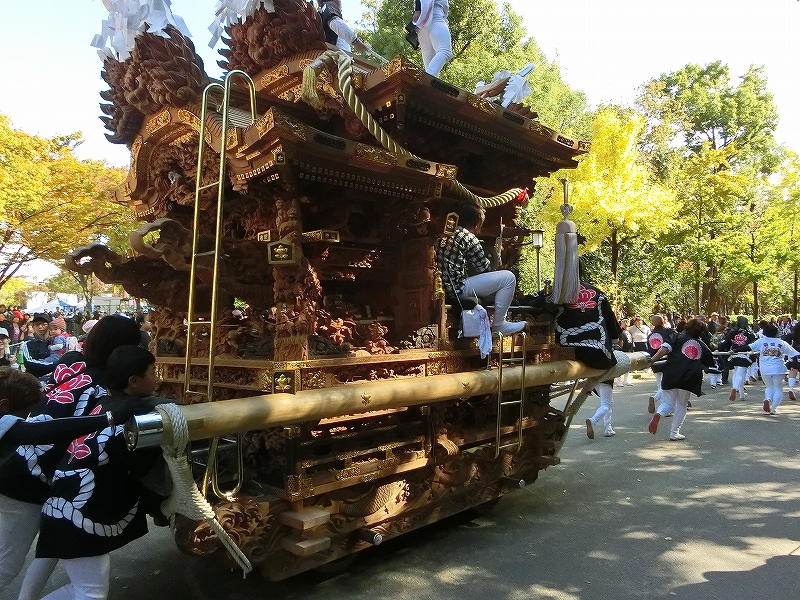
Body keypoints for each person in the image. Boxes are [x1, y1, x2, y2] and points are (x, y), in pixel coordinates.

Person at [0, 315, 146, 597]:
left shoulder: (71, 362)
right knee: (6, 562)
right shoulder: (105, 386)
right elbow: (61, 430)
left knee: (46, 551)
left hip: (26, 468)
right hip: (30, 482)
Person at [28, 344, 167, 600]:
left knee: (58, 565)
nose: (157, 378)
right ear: (134, 381)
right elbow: (141, 467)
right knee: (90, 593)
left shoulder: (104, 404)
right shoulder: (134, 417)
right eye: (152, 372)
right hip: (81, 510)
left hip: (63, 502)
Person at [436, 203, 526, 336]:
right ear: (476, 222)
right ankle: (499, 324)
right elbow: (484, 268)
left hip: (445, 287)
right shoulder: (468, 237)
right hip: (458, 288)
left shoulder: (444, 235)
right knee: (509, 278)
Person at [648, 318, 715, 441]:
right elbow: (710, 361)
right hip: (688, 377)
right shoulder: (701, 345)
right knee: (681, 404)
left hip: (671, 373)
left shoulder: (676, 336)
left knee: (667, 403)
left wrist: (652, 360)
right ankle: (674, 433)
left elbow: (664, 349)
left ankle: (659, 413)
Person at [739, 323, 799, 415]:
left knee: (769, 387)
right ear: (776, 333)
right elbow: (795, 353)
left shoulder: (761, 341)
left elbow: (748, 347)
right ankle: (773, 408)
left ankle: (767, 399)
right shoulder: (781, 343)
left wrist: (735, 350)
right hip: (778, 368)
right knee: (778, 388)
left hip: (765, 369)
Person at [719, 316, 757, 401]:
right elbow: (753, 345)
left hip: (734, 355)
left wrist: (719, 348)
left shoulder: (733, 332)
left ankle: (742, 395)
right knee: (740, 374)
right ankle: (735, 388)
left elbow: (725, 342)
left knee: (737, 373)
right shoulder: (750, 333)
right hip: (745, 355)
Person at [412, 0, 453, 77]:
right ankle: (424, 80)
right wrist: (417, 9)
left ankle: (425, 82)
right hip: (434, 16)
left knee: (432, 74)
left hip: (422, 25)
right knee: (445, 51)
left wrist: (417, 9)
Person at [647, 314, 676, 414]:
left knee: (660, 385)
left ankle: (660, 403)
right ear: (663, 321)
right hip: (667, 360)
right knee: (667, 386)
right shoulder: (669, 332)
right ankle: (659, 402)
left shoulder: (650, 335)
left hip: (655, 362)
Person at [21, 312, 56, 378]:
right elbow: (29, 363)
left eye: (43, 324)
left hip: (56, 379)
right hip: (35, 380)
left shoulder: (57, 342)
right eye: (37, 324)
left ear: (49, 326)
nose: (40, 326)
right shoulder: (28, 344)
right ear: (33, 327)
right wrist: (55, 365)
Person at [615, 318, 634, 387]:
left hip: (629, 350)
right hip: (622, 351)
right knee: (620, 366)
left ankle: (626, 380)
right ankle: (618, 381)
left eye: (627, 321)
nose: (626, 323)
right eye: (625, 322)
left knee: (628, 366)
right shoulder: (619, 331)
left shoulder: (628, 331)